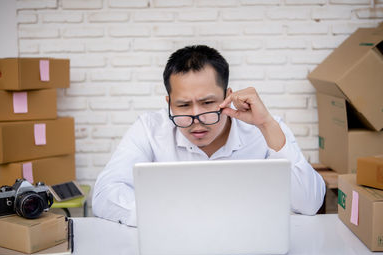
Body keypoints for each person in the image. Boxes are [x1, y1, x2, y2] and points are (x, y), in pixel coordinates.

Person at [92, 45, 326, 226]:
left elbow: (309, 203)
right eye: (183, 105)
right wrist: (164, 218)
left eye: (207, 103)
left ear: (228, 95)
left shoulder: (263, 128)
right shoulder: (149, 128)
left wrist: (266, 124)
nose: (197, 118)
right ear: (169, 103)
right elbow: (105, 193)